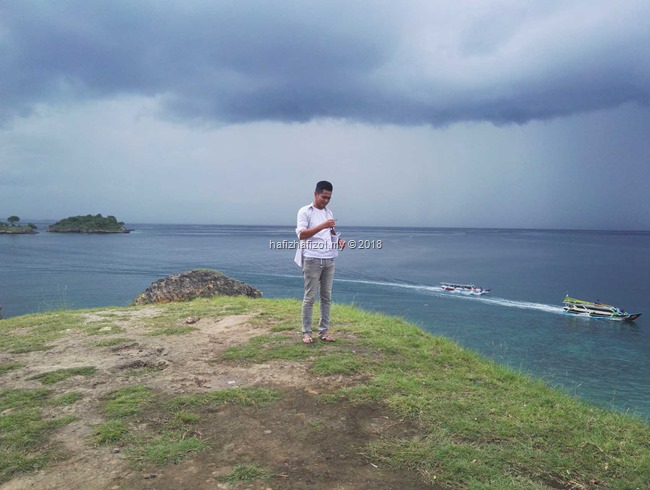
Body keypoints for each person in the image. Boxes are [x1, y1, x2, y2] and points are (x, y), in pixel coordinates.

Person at [295, 181, 346, 344]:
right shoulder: (305, 212)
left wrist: (339, 241)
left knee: (326, 297)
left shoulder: (328, 212)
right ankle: (306, 332)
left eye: (329, 198)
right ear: (315, 194)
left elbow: (331, 234)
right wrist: (322, 225)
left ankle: (324, 332)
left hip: (329, 258)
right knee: (310, 296)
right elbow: (302, 234)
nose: (326, 201)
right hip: (312, 258)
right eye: (324, 197)